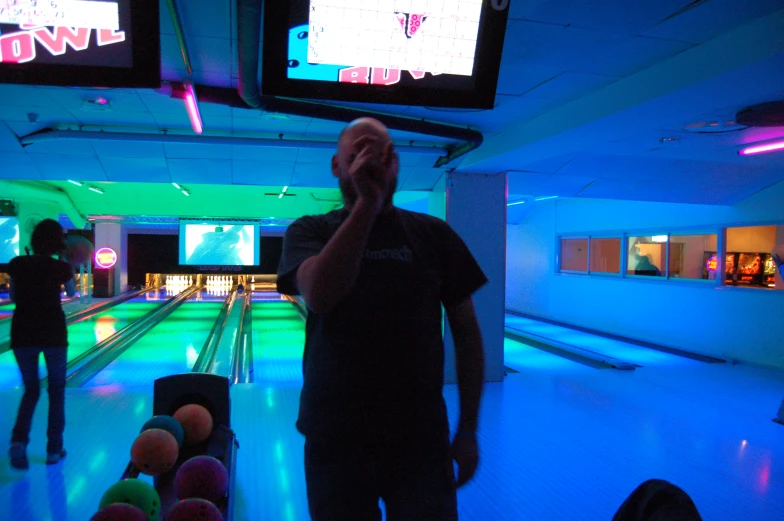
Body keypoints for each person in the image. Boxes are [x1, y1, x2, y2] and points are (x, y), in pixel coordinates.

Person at [277, 118, 487, 521]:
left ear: (396, 164)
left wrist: (468, 429)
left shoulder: (434, 234)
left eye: (383, 153)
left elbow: (467, 333)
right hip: (333, 439)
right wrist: (367, 206)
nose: (371, 162)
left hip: (421, 440)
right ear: (337, 165)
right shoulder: (309, 231)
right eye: (357, 153)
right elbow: (320, 295)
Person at [7, 219, 76, 469]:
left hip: (22, 333)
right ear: (58, 242)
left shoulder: (17, 264)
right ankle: (54, 450)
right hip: (53, 335)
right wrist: (70, 267)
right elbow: (71, 294)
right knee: (56, 393)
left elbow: (14, 296)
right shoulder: (62, 267)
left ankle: (18, 443)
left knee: (31, 391)